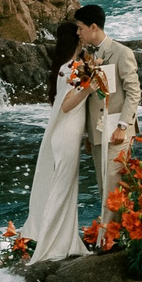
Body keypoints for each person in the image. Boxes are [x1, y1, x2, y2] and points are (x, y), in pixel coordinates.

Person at [16, 19, 104, 262]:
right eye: (78, 31)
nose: (81, 33)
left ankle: (64, 241)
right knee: (62, 190)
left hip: (70, 135)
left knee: (67, 190)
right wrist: (88, 88)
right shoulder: (69, 69)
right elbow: (65, 106)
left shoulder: (74, 66)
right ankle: (50, 246)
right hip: (65, 137)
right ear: (74, 38)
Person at [72, 4, 141, 243]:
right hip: (98, 133)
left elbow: (134, 93)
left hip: (118, 131)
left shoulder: (122, 53)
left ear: (93, 27)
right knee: (104, 188)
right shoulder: (86, 55)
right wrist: (89, 137)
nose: (77, 33)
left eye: (80, 28)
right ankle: (113, 237)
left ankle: (109, 241)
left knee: (114, 187)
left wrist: (123, 126)